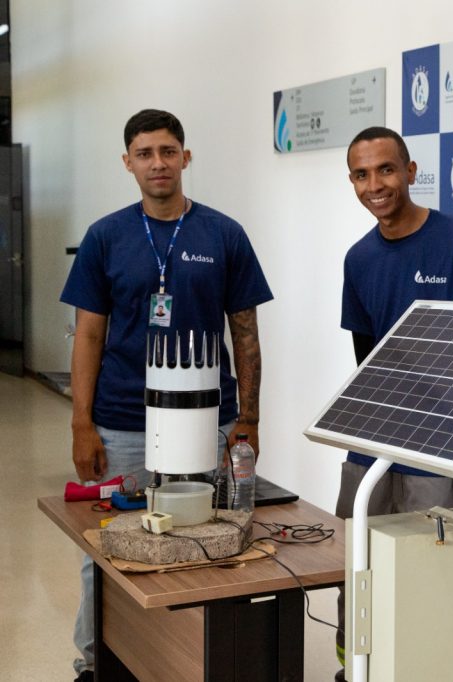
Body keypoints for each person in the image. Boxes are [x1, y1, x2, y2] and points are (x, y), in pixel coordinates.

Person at [60, 109, 273, 682]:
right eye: (146, 153)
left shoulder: (223, 233)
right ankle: (96, 661)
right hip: (123, 425)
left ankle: (191, 659)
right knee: (109, 550)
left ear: (186, 156)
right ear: (127, 162)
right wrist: (82, 423)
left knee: (208, 542)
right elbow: (89, 334)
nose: (159, 163)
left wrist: (247, 420)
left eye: (168, 151)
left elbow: (245, 331)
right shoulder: (105, 236)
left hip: (209, 422)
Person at [334, 126, 453, 679]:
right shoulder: (358, 259)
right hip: (371, 444)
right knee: (358, 567)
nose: (376, 184)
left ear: (412, 171)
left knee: (433, 575)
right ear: (352, 181)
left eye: (387, 170)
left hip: (442, 447)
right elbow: (366, 361)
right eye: (362, 174)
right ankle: (356, 668)